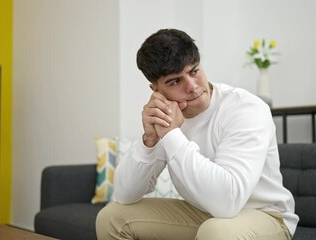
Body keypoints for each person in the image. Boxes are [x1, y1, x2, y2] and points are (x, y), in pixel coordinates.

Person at [96, 28, 299, 240]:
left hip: (265, 216)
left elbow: (227, 203)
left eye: (194, 71)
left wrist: (172, 135)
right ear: (155, 90)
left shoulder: (246, 108)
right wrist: (150, 139)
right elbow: (125, 194)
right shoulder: (167, 116)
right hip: (203, 215)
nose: (192, 87)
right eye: (175, 81)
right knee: (112, 217)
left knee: (216, 232)